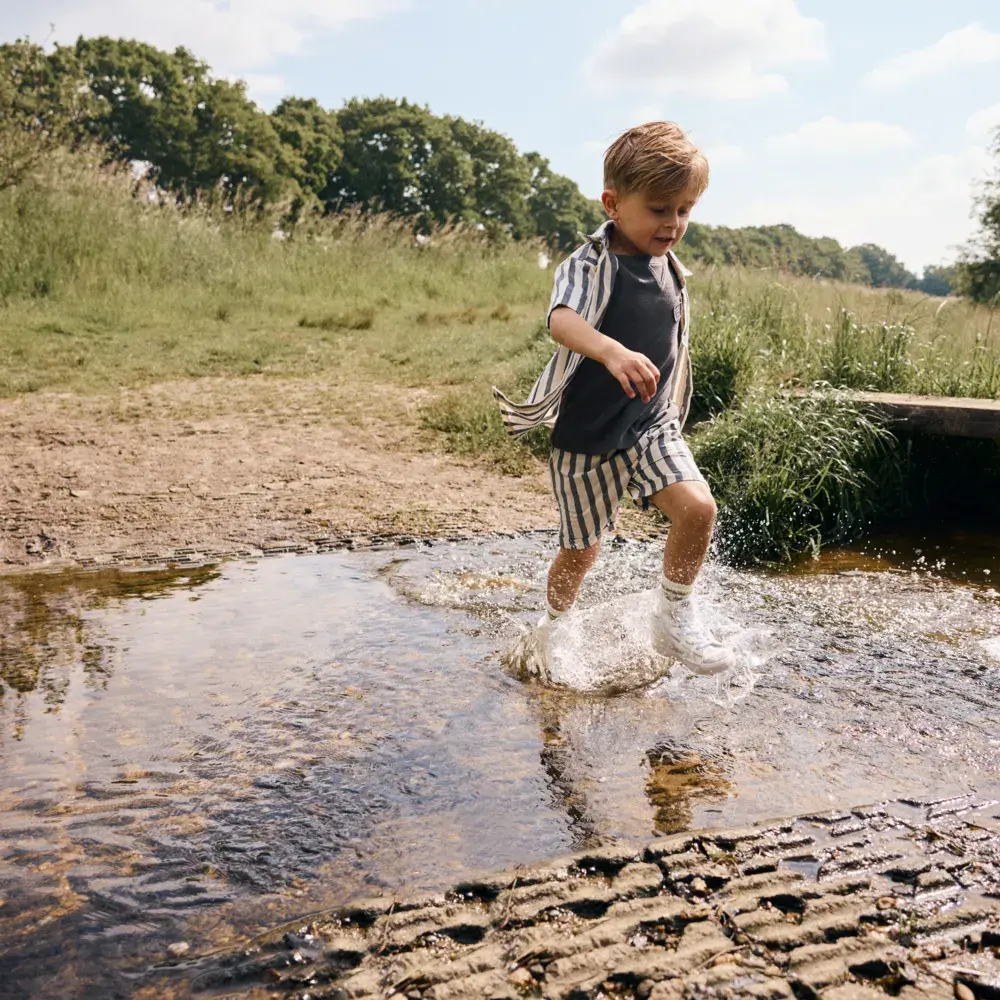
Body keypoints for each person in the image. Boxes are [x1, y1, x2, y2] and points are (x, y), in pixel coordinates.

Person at [493, 121, 735, 678]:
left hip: (651, 425)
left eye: (685, 210)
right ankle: (554, 627)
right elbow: (561, 320)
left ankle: (673, 616)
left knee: (698, 509)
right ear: (613, 203)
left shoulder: (670, 267)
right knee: (582, 548)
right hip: (587, 437)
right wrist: (611, 352)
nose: (673, 224)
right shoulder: (589, 263)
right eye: (659, 209)